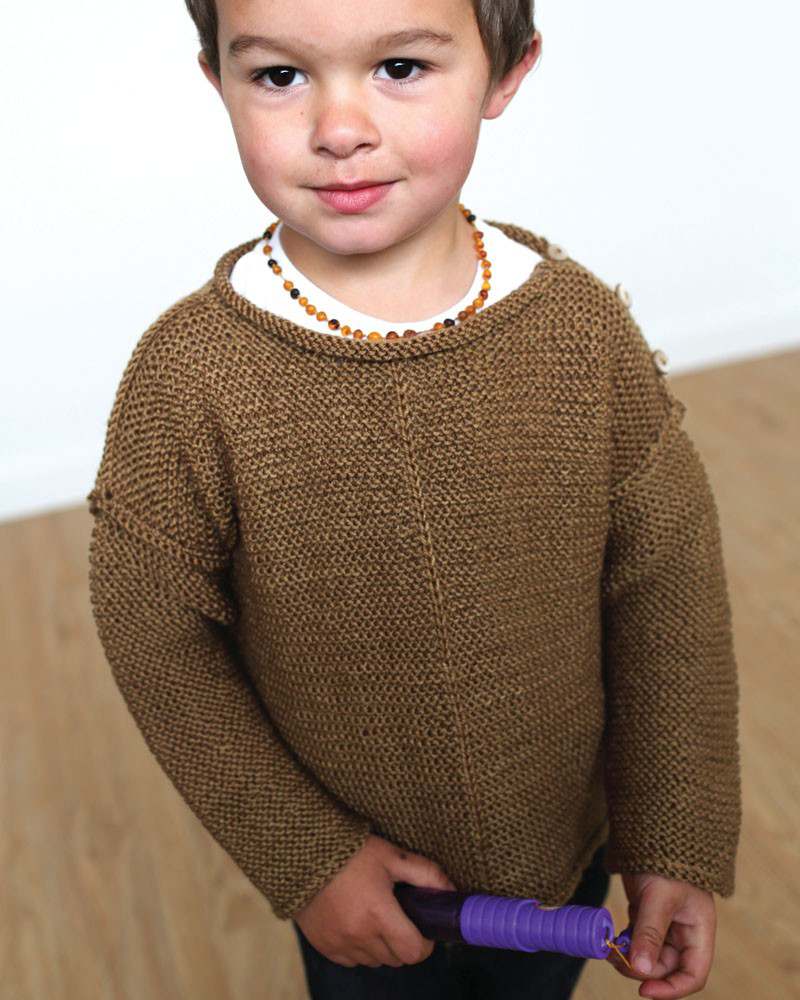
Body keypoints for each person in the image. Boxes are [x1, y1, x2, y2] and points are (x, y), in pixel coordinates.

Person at [85, 1, 742, 998]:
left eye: (399, 67)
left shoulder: (580, 332)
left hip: (561, 860)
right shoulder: (189, 376)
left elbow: (667, 592)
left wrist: (671, 834)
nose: (339, 128)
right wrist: (305, 855)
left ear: (506, 71)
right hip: (360, 886)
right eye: (278, 76)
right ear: (216, 78)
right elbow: (154, 635)